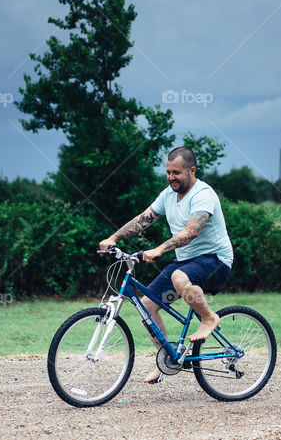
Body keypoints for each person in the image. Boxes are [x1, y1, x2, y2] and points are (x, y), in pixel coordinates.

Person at [98, 146, 233, 384]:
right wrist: (114, 238)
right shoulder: (168, 195)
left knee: (180, 278)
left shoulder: (204, 194)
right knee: (147, 305)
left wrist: (160, 249)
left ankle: (209, 318)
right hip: (185, 261)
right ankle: (166, 360)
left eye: (177, 172)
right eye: (168, 172)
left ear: (192, 170)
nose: (171, 177)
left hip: (215, 261)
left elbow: (192, 231)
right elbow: (143, 219)